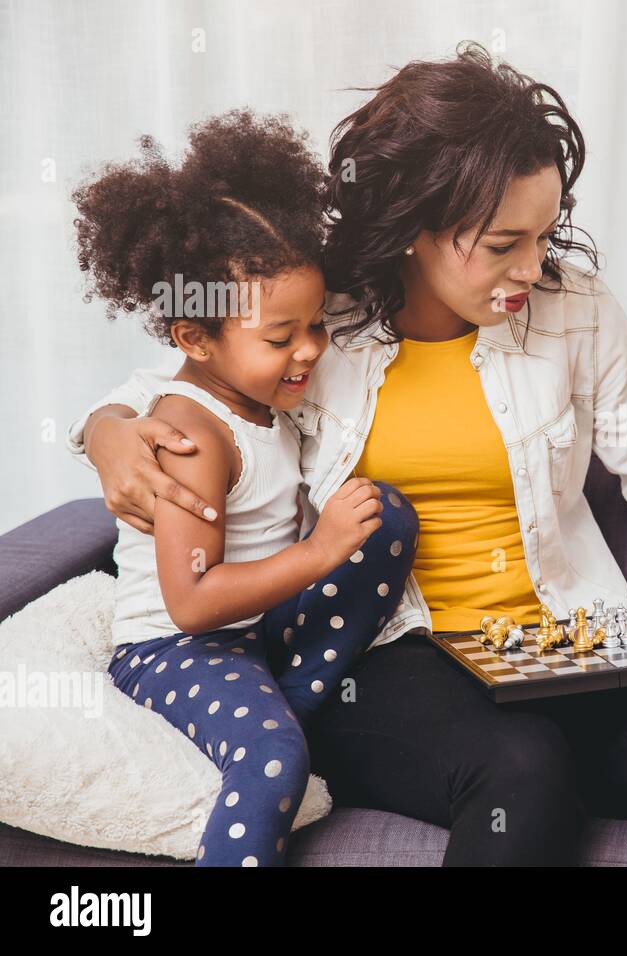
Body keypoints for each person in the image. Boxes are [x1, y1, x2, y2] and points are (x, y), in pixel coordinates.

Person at [69, 45, 627, 865]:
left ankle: (502, 772)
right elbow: (185, 372)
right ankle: (507, 772)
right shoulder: (311, 311)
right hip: (393, 650)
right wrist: (104, 428)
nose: (533, 267)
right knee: (520, 766)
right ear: (414, 229)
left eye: (545, 235)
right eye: (504, 241)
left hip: (554, 641)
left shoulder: (572, 310)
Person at [72, 110, 417, 866]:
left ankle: (286, 708)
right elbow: (192, 605)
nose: (308, 351)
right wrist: (321, 551)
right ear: (195, 340)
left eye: (316, 325)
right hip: (177, 650)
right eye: (279, 338)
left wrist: (341, 541)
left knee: (385, 517)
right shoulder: (192, 435)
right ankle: (274, 736)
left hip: (250, 633)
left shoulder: (259, 402)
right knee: (273, 760)